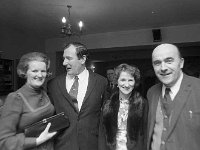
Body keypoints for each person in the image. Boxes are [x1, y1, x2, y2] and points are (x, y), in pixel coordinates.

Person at [47, 42, 108, 150]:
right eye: (63, 59)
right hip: (62, 146)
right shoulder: (53, 84)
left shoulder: (101, 82)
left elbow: (104, 119)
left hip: (91, 145)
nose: (64, 63)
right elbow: (49, 117)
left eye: (69, 58)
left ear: (82, 59)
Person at [147, 43, 200, 150]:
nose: (163, 68)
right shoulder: (151, 92)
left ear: (181, 63)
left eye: (169, 61)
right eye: (157, 63)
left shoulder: (197, 88)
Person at [0, 52, 57, 150]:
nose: (40, 75)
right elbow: (4, 142)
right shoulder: (15, 98)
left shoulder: (43, 92)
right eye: (34, 71)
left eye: (43, 71)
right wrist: (37, 140)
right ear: (25, 72)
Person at [102, 63, 147, 150]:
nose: (126, 85)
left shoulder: (143, 103)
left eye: (130, 80)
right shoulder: (107, 104)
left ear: (135, 82)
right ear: (117, 82)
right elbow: (102, 133)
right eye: (123, 80)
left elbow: (145, 132)